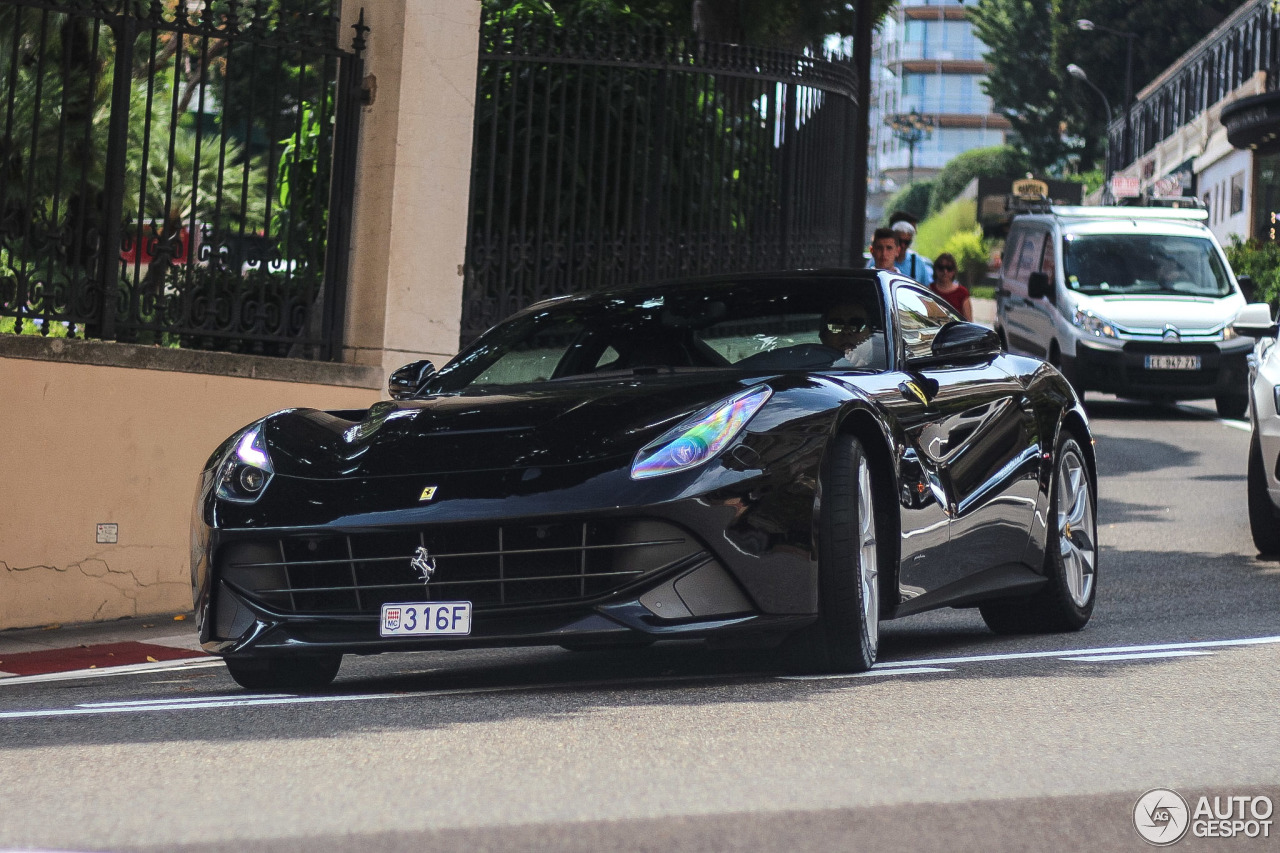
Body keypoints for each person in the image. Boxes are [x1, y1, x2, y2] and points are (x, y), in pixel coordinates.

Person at [819, 302, 883, 368]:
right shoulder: (811, 366)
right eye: (836, 325)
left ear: (871, 335)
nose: (847, 331)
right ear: (823, 336)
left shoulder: (886, 366)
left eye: (858, 325)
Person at [930, 252, 972, 321]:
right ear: (935, 269)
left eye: (949, 268)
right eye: (941, 268)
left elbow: (969, 322)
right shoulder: (930, 290)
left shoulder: (962, 293)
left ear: (954, 271)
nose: (945, 271)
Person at [891, 220, 933, 285]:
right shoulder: (879, 260)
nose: (903, 245)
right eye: (900, 241)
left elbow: (926, 288)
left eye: (906, 242)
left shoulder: (917, 261)